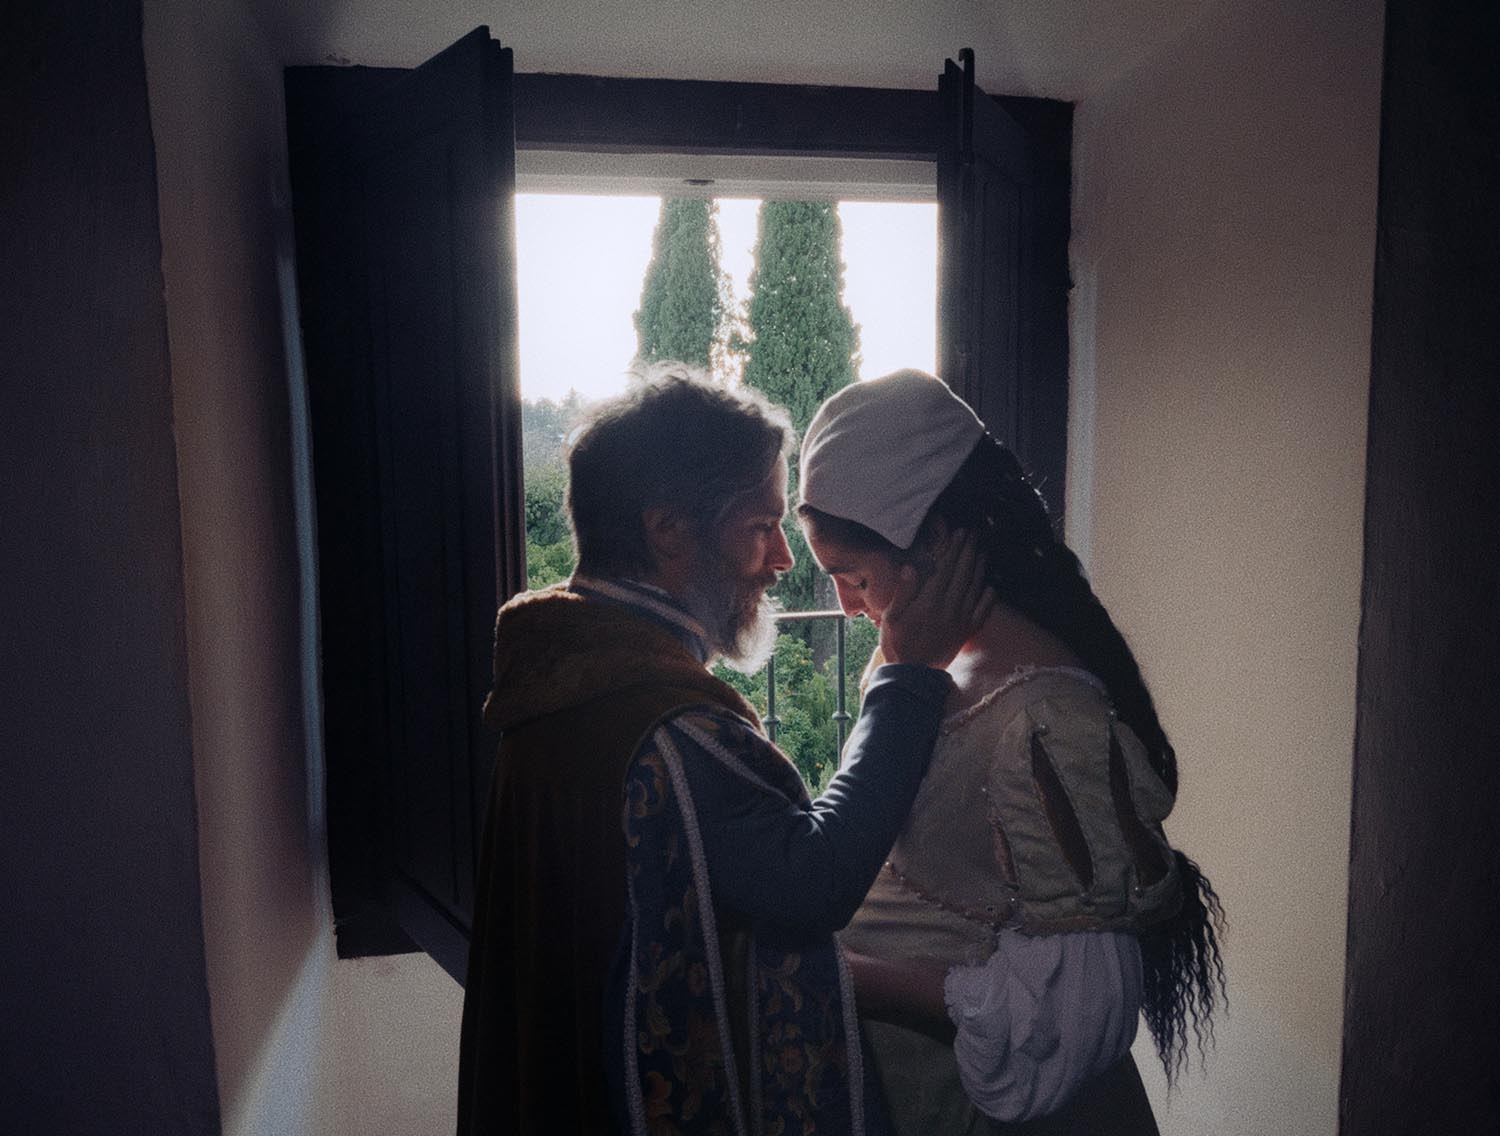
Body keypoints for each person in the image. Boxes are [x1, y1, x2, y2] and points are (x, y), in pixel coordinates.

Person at [456, 370, 994, 1135]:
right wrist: (908, 675)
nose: (781, 558)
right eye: (759, 526)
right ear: (669, 530)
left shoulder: (562, 682)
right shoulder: (663, 726)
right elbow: (812, 880)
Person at [796, 370, 1227, 1135]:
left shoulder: (1046, 719)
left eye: (853, 577)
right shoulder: (918, 657)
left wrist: (842, 977)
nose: (846, 605)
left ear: (933, 543)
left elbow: (1079, 1006)